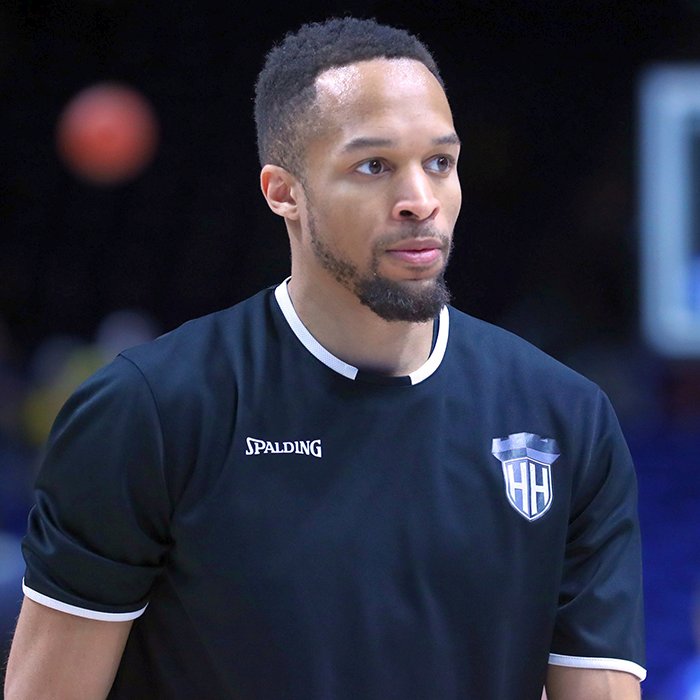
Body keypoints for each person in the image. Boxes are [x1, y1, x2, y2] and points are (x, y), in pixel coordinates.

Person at [4, 17, 645, 699]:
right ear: (283, 192)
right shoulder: (150, 411)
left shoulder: (567, 420)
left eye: (440, 163)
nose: (420, 201)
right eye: (374, 166)